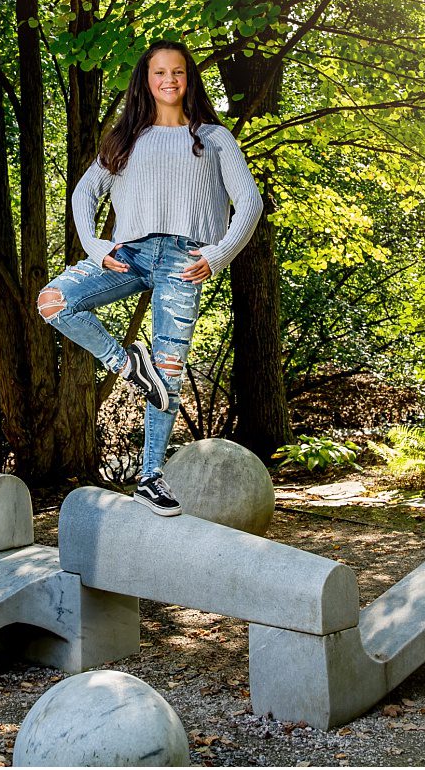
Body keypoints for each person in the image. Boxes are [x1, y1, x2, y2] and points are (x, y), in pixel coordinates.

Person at [37, 40, 263, 516]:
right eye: (159, 72)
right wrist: (97, 248)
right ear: (146, 80)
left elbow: (251, 204)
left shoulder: (215, 137)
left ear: (188, 79)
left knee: (170, 370)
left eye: (177, 72)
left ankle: (150, 479)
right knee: (54, 300)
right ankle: (126, 365)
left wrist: (219, 254)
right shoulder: (124, 140)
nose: (168, 80)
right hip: (131, 254)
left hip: (185, 259)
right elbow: (83, 196)